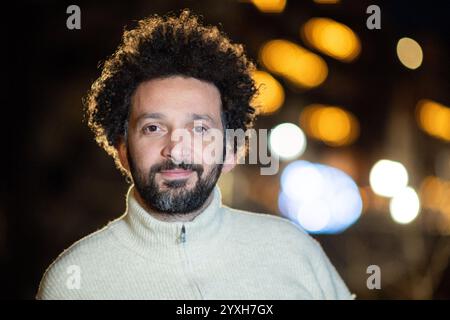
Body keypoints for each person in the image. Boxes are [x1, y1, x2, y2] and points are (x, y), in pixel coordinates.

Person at [36, 9, 353, 300]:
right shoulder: (72, 283)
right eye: (153, 128)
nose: (176, 148)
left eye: (200, 129)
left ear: (231, 150)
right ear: (122, 149)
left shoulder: (295, 251)